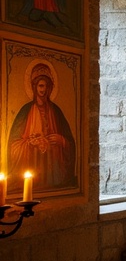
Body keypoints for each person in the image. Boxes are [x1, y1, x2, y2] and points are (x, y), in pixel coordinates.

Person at [8, 63, 77, 192]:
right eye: (40, 85)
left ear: (50, 88)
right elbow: (13, 146)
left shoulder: (56, 111)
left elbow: (71, 143)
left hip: (54, 174)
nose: (43, 89)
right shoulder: (25, 111)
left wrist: (61, 141)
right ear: (34, 87)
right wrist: (29, 143)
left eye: (46, 86)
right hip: (32, 168)